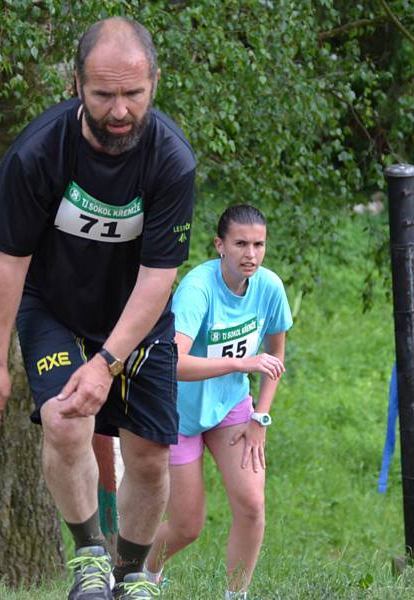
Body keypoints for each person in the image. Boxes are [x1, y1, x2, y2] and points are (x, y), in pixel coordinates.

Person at [0, 16, 196, 600]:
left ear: (154, 83)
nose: (120, 110)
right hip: (55, 308)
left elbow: (158, 278)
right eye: (103, 95)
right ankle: (90, 558)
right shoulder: (37, 154)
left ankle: (133, 576)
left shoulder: (172, 161)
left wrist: (107, 362)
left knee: (148, 456)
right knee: (65, 420)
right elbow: (7, 264)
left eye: (133, 93)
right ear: (76, 85)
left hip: (137, 315)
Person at [143, 205, 293, 600]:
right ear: (220, 245)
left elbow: (275, 353)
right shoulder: (198, 289)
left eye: (259, 244)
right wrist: (241, 362)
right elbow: (174, 361)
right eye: (240, 243)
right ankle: (144, 570)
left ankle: (236, 595)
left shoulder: (270, 287)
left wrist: (261, 415)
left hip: (230, 406)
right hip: (178, 412)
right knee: (187, 526)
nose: (251, 254)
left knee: (251, 506)